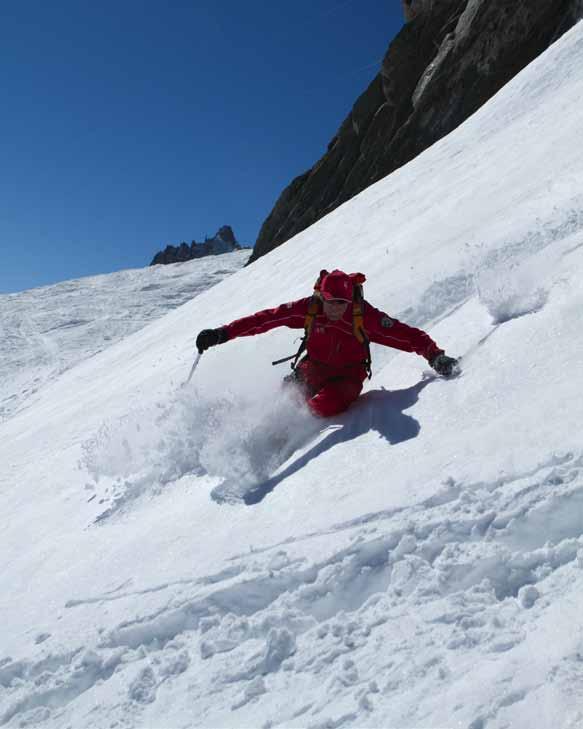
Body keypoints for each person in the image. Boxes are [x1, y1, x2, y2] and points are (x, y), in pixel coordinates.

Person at [196, 269, 458, 418]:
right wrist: (222, 334)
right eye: (331, 302)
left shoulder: (362, 315)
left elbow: (405, 335)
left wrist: (435, 356)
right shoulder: (308, 308)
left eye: (341, 304)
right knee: (283, 401)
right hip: (314, 368)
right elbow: (265, 320)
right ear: (322, 296)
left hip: (348, 376)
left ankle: (290, 430)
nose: (335, 309)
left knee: (324, 406)